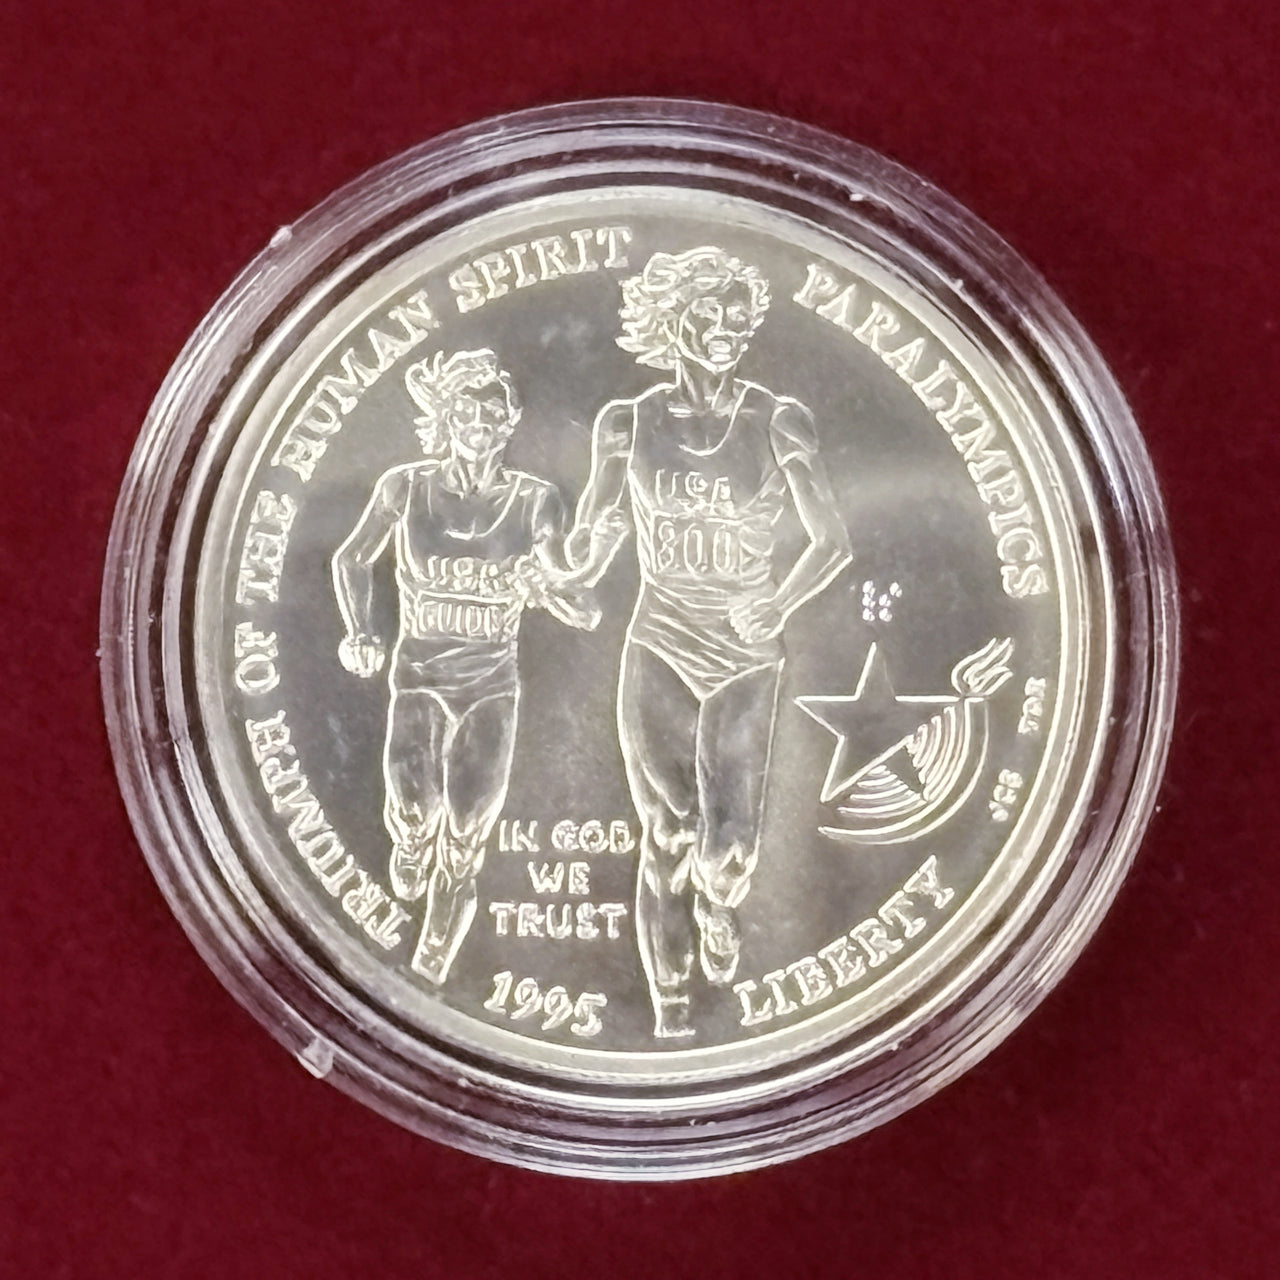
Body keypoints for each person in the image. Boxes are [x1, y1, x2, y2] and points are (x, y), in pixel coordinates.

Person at [554, 247, 852, 1037]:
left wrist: (778, 605)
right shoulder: (625, 424)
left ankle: (721, 903)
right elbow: (592, 535)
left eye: (735, 317)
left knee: (725, 857)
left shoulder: (778, 420)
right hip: (657, 641)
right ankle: (672, 1013)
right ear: (672, 322)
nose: (724, 329)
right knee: (666, 832)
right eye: (707, 314)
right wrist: (567, 570)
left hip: (745, 656)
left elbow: (832, 542)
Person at [332, 348, 595, 984]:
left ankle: (433, 955)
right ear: (446, 420)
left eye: (492, 413)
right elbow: (351, 559)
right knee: (416, 811)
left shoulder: (537, 501)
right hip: (419, 677)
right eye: (467, 412)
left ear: (510, 422)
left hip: (491, 685)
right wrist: (360, 631)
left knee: (469, 827)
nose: (480, 423)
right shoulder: (405, 487)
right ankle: (409, 843)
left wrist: (547, 589)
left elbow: (577, 601)